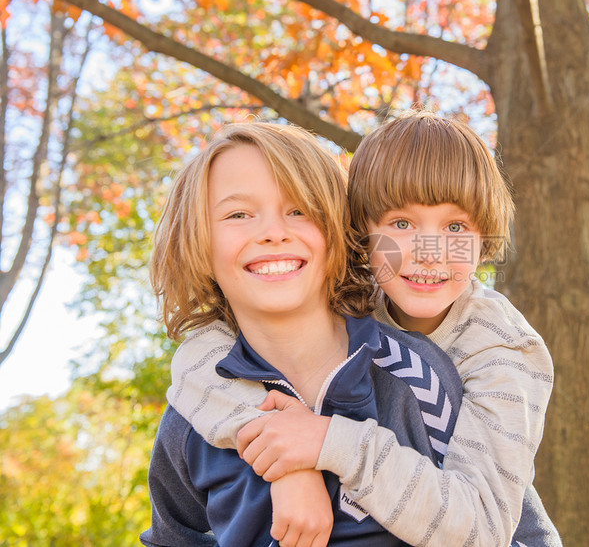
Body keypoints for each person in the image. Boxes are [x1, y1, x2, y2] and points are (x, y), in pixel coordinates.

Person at [168, 112, 561, 546]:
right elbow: (198, 358)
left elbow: (483, 529)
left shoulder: (504, 350)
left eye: (455, 227)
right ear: (359, 231)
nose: (429, 254)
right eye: (401, 224)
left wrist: (326, 442)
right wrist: (283, 456)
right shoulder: (351, 289)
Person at [139, 122, 464, 547]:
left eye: (299, 211)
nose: (274, 232)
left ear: (337, 231)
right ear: (199, 244)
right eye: (238, 214)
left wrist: (326, 447)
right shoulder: (192, 418)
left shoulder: (417, 378)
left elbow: (494, 521)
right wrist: (287, 465)